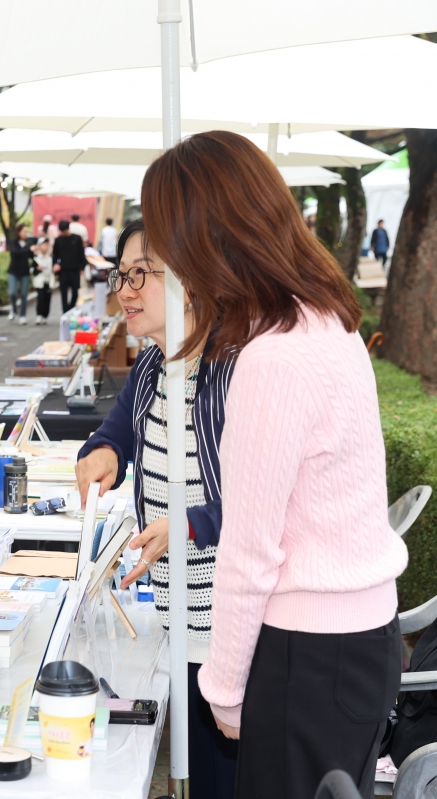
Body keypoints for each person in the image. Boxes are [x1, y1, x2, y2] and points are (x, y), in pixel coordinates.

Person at [145, 130, 408, 799]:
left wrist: (224, 689)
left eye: (169, 244)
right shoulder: (325, 316)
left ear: (205, 238)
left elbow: (250, 547)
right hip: (360, 639)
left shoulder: (273, 356)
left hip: (308, 653)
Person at [75, 219, 238, 799]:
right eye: (121, 275)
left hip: (237, 630)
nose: (125, 289)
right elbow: (110, 435)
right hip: (178, 623)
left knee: (231, 778)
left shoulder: (234, 368)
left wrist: (191, 524)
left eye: (141, 274)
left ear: (191, 279)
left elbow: (265, 502)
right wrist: (100, 453)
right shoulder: (149, 368)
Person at [52, 219, 86, 313]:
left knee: (75, 292)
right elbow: (55, 255)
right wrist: (55, 264)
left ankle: (71, 308)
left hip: (75, 270)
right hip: (63, 271)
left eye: (65, 230)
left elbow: (81, 254)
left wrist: (82, 267)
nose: (64, 233)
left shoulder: (77, 238)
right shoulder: (58, 240)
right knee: (64, 293)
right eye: (62, 231)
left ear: (68, 228)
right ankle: (65, 312)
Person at [6, 223, 35, 324]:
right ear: (18, 232)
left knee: (24, 295)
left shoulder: (29, 243)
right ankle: (14, 309)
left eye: (27, 231)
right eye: (24, 231)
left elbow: (32, 257)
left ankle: (23, 315)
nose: (26, 234)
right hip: (13, 271)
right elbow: (15, 253)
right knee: (12, 293)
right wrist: (28, 249)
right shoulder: (13, 242)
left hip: (25, 272)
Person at [32, 238, 56, 324]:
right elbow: (32, 271)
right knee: (40, 298)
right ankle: (39, 315)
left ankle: (45, 315)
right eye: (43, 245)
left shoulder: (50, 258)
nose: (45, 247)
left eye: (47, 245)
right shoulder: (36, 258)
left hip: (49, 281)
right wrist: (37, 269)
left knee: (47, 299)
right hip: (39, 282)